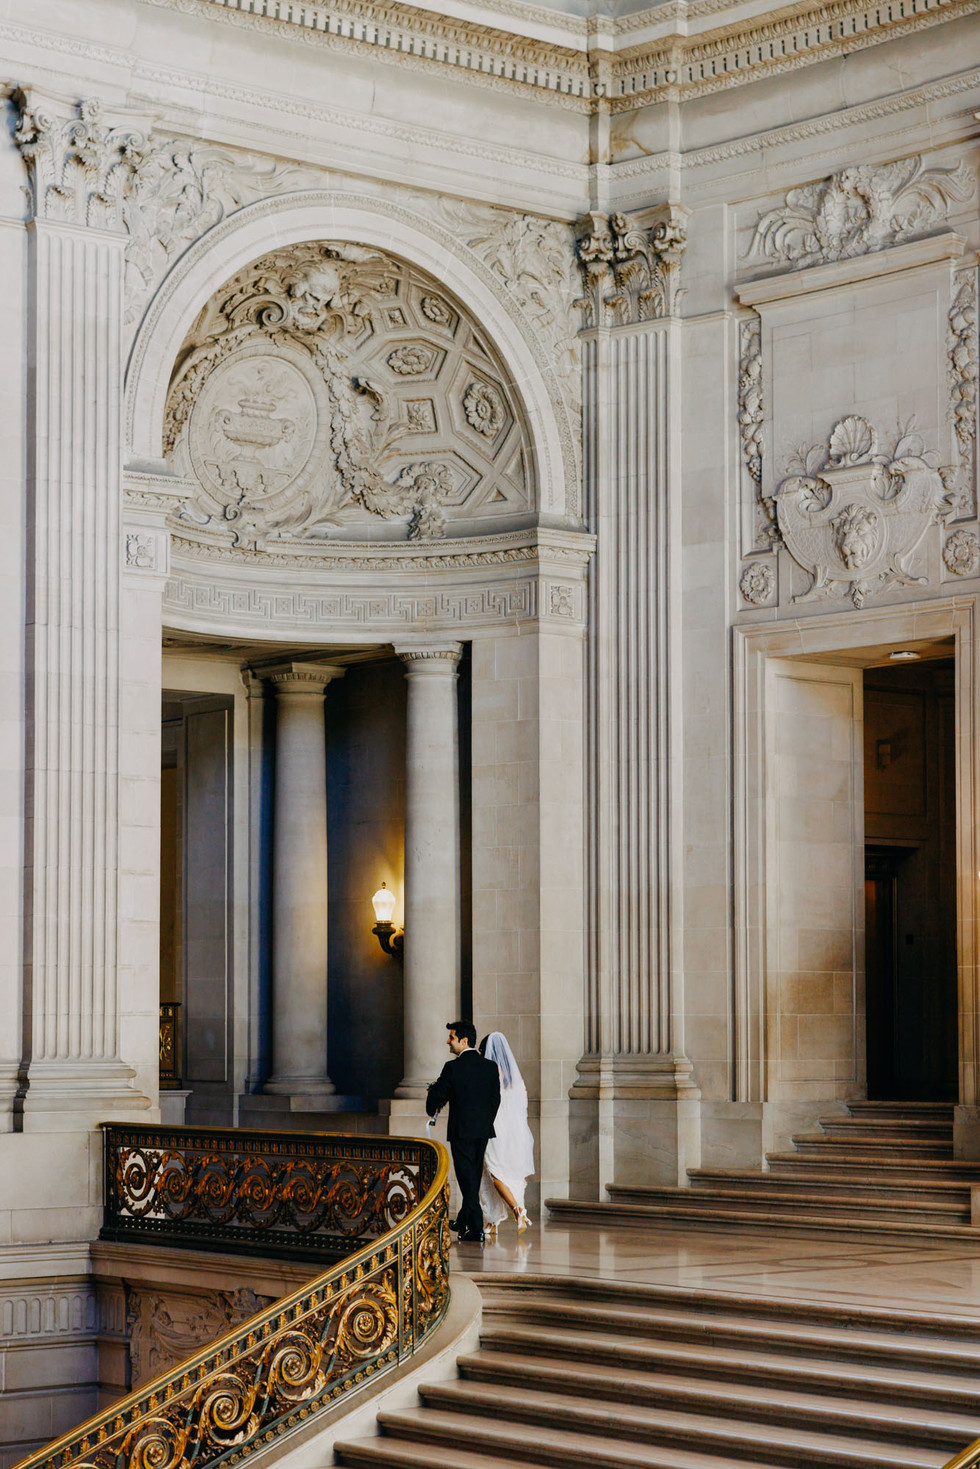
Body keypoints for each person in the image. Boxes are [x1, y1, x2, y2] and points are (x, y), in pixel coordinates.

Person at [426, 1019, 500, 1243]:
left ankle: (475, 1227)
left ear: (464, 1040)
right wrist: (485, 1122)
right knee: (473, 1176)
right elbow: (495, 1100)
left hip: (461, 1131)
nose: (448, 1042)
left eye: (452, 1037)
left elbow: (438, 1098)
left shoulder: (453, 1067)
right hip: (483, 1131)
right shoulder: (489, 1067)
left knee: (467, 1177)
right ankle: (465, 1220)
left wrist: (432, 1093)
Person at [478, 1032, 534, 1233]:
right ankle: (491, 1222)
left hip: (495, 1129)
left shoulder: (490, 1073)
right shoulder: (514, 1078)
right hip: (514, 1130)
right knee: (499, 1172)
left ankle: (517, 1210)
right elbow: (523, 1104)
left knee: (494, 1172)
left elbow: (487, 1103)